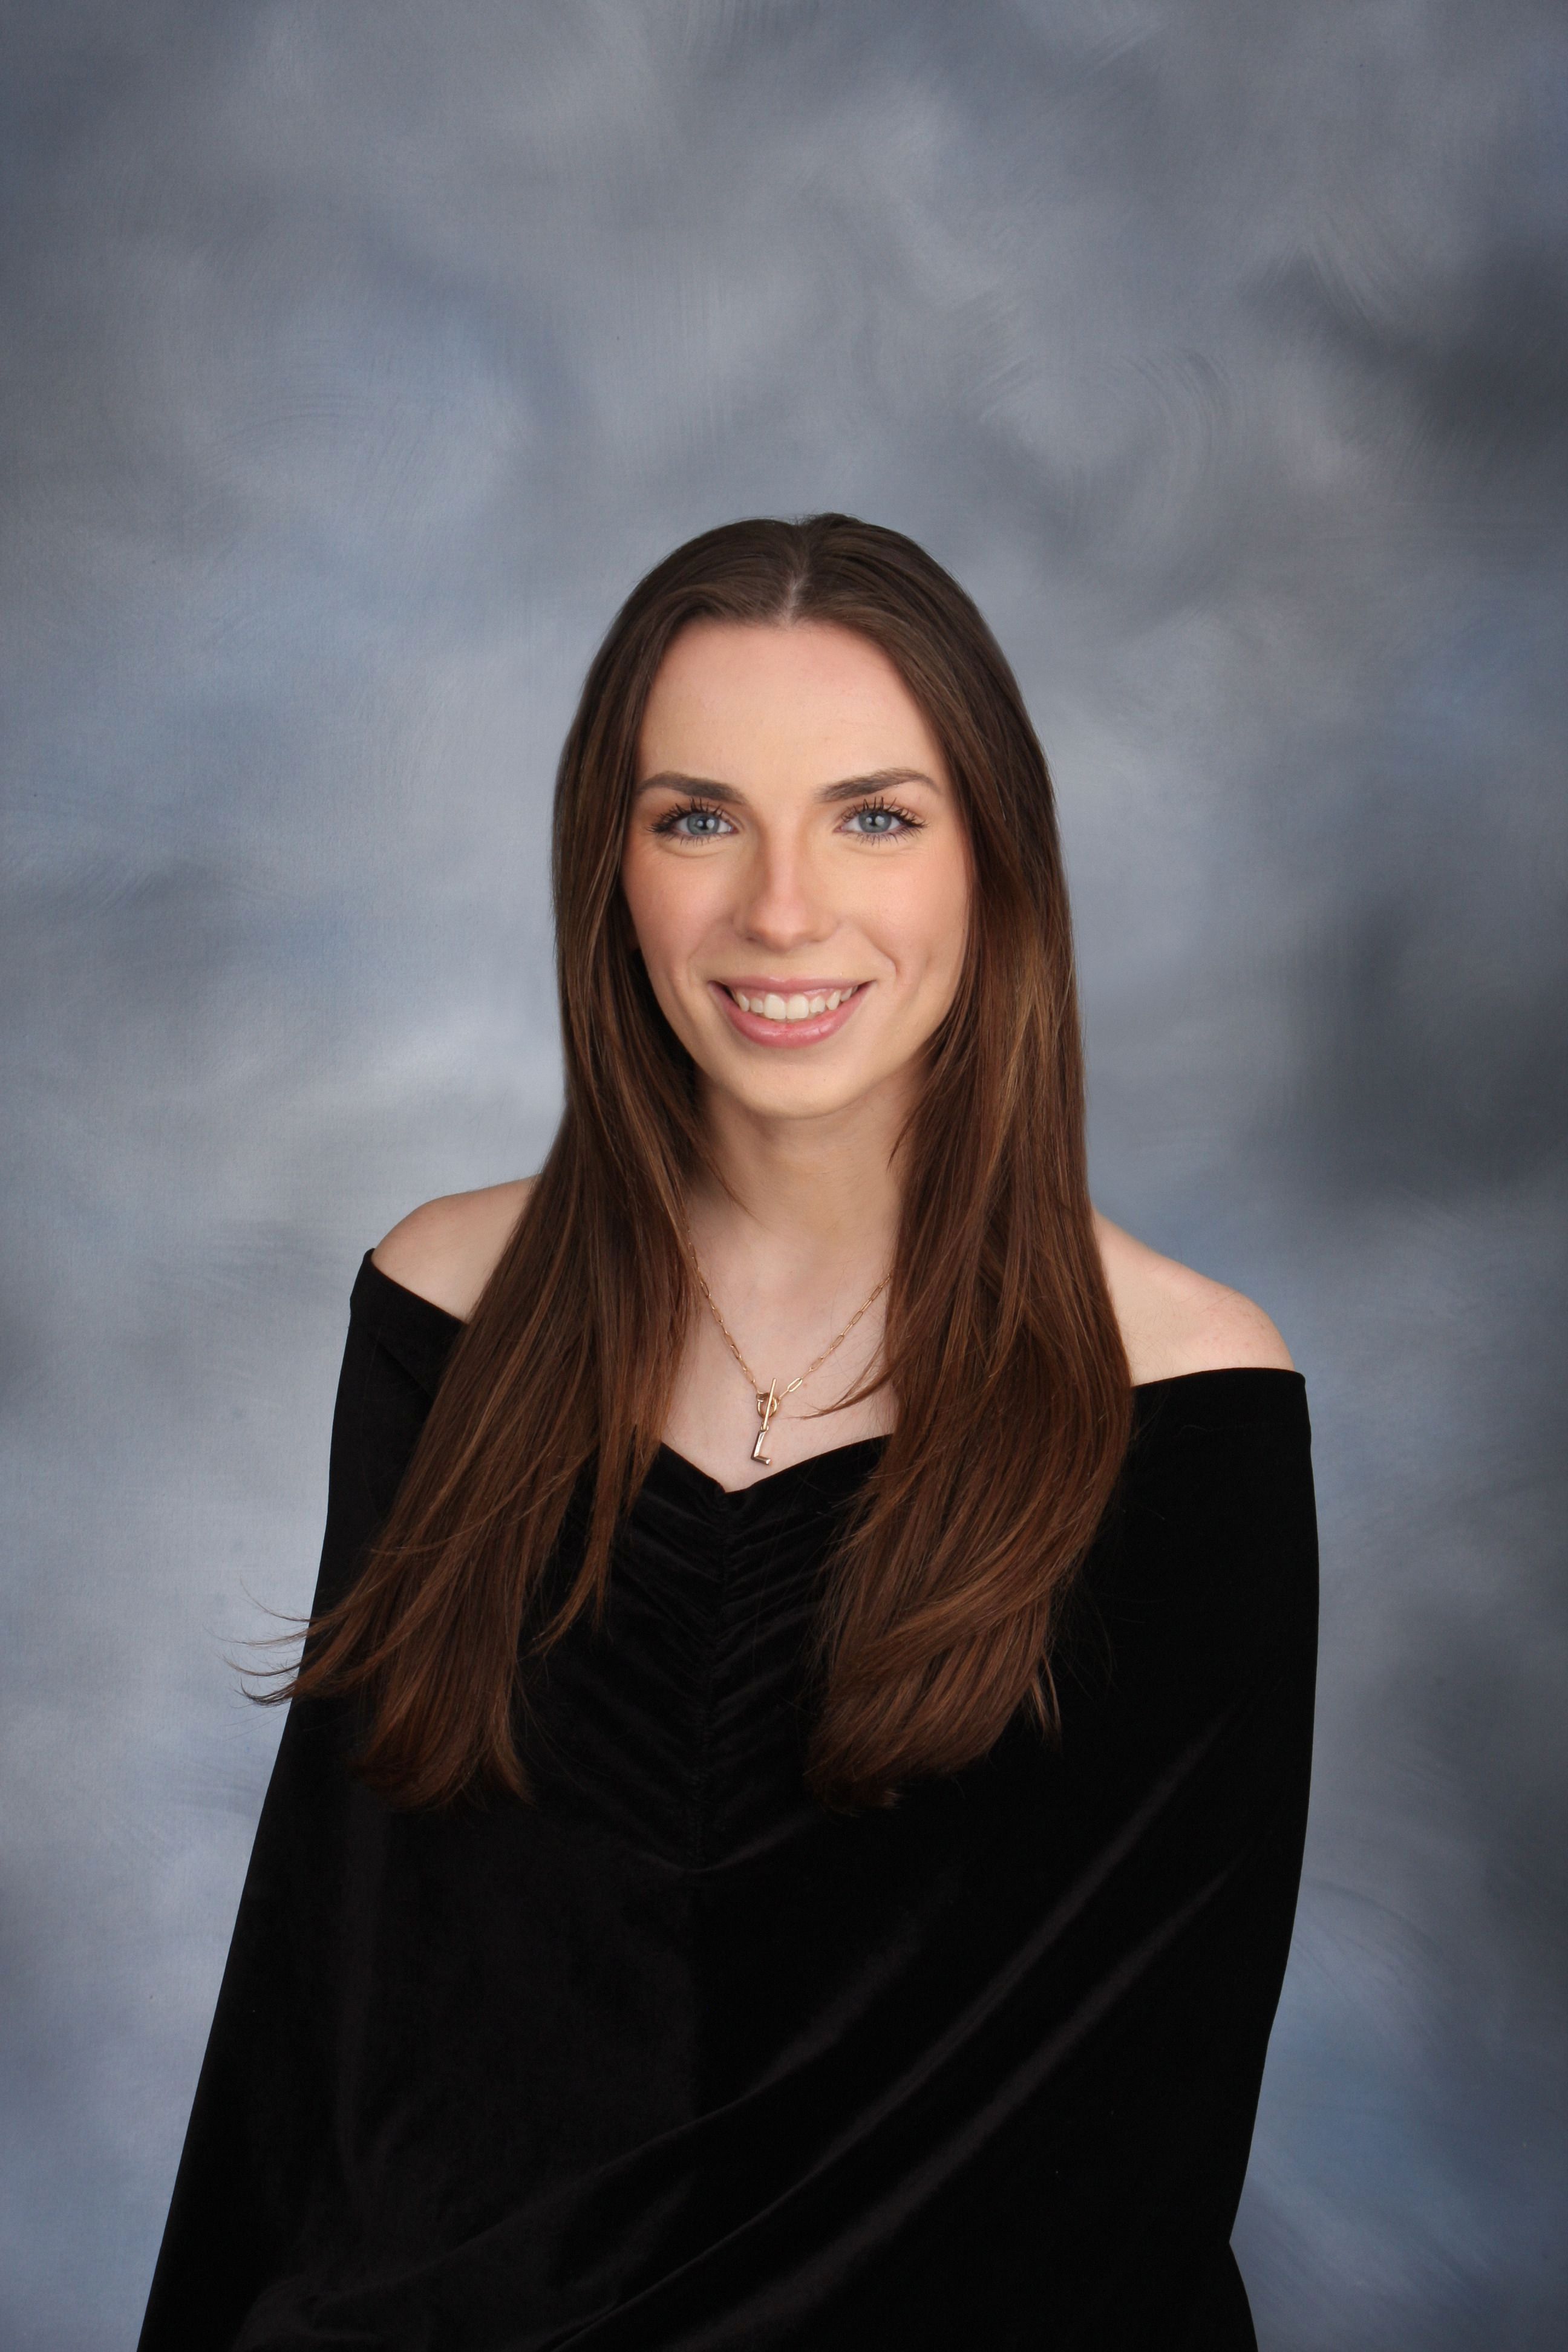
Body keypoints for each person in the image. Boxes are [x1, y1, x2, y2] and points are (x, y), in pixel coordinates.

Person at [137, 514, 1316, 2351]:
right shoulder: (448, 1306)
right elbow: (323, 2012)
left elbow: (1108, 2157)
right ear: (608, 865)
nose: (781, 910)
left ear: (996, 860)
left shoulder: (1184, 1398)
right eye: (699, 818)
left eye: (874, 817)